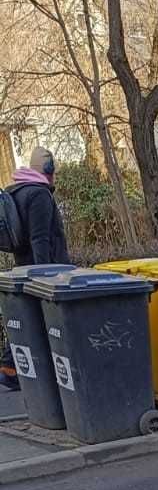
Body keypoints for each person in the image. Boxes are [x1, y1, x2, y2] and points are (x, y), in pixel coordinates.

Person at [2, 146, 69, 391]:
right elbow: (40, 237)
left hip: (24, 267)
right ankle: (11, 367)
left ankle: (12, 368)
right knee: (40, 317)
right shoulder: (39, 194)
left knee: (28, 318)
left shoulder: (18, 191)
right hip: (43, 269)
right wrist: (47, 276)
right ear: (48, 169)